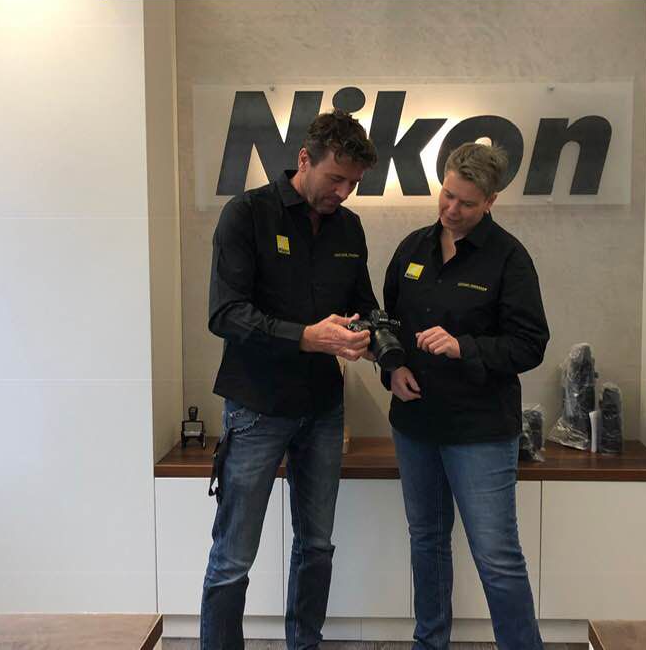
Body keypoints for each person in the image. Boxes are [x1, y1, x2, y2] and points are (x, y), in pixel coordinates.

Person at [201, 110, 379, 650]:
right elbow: (225, 314)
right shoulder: (247, 214)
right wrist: (307, 336)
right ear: (305, 159)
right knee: (234, 554)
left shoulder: (348, 228)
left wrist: (372, 340)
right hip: (256, 407)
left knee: (317, 545)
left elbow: (365, 306)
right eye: (335, 178)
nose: (343, 193)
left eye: (353, 183)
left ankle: (305, 644)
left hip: (323, 408)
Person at [382, 142, 550, 650]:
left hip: (480, 431)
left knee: (496, 556)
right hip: (416, 425)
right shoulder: (413, 248)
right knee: (427, 543)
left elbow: (530, 344)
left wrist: (464, 347)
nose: (452, 209)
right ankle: (429, 642)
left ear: (491, 202)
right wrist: (392, 367)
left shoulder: (510, 259)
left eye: (467, 203)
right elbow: (387, 324)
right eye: (448, 195)